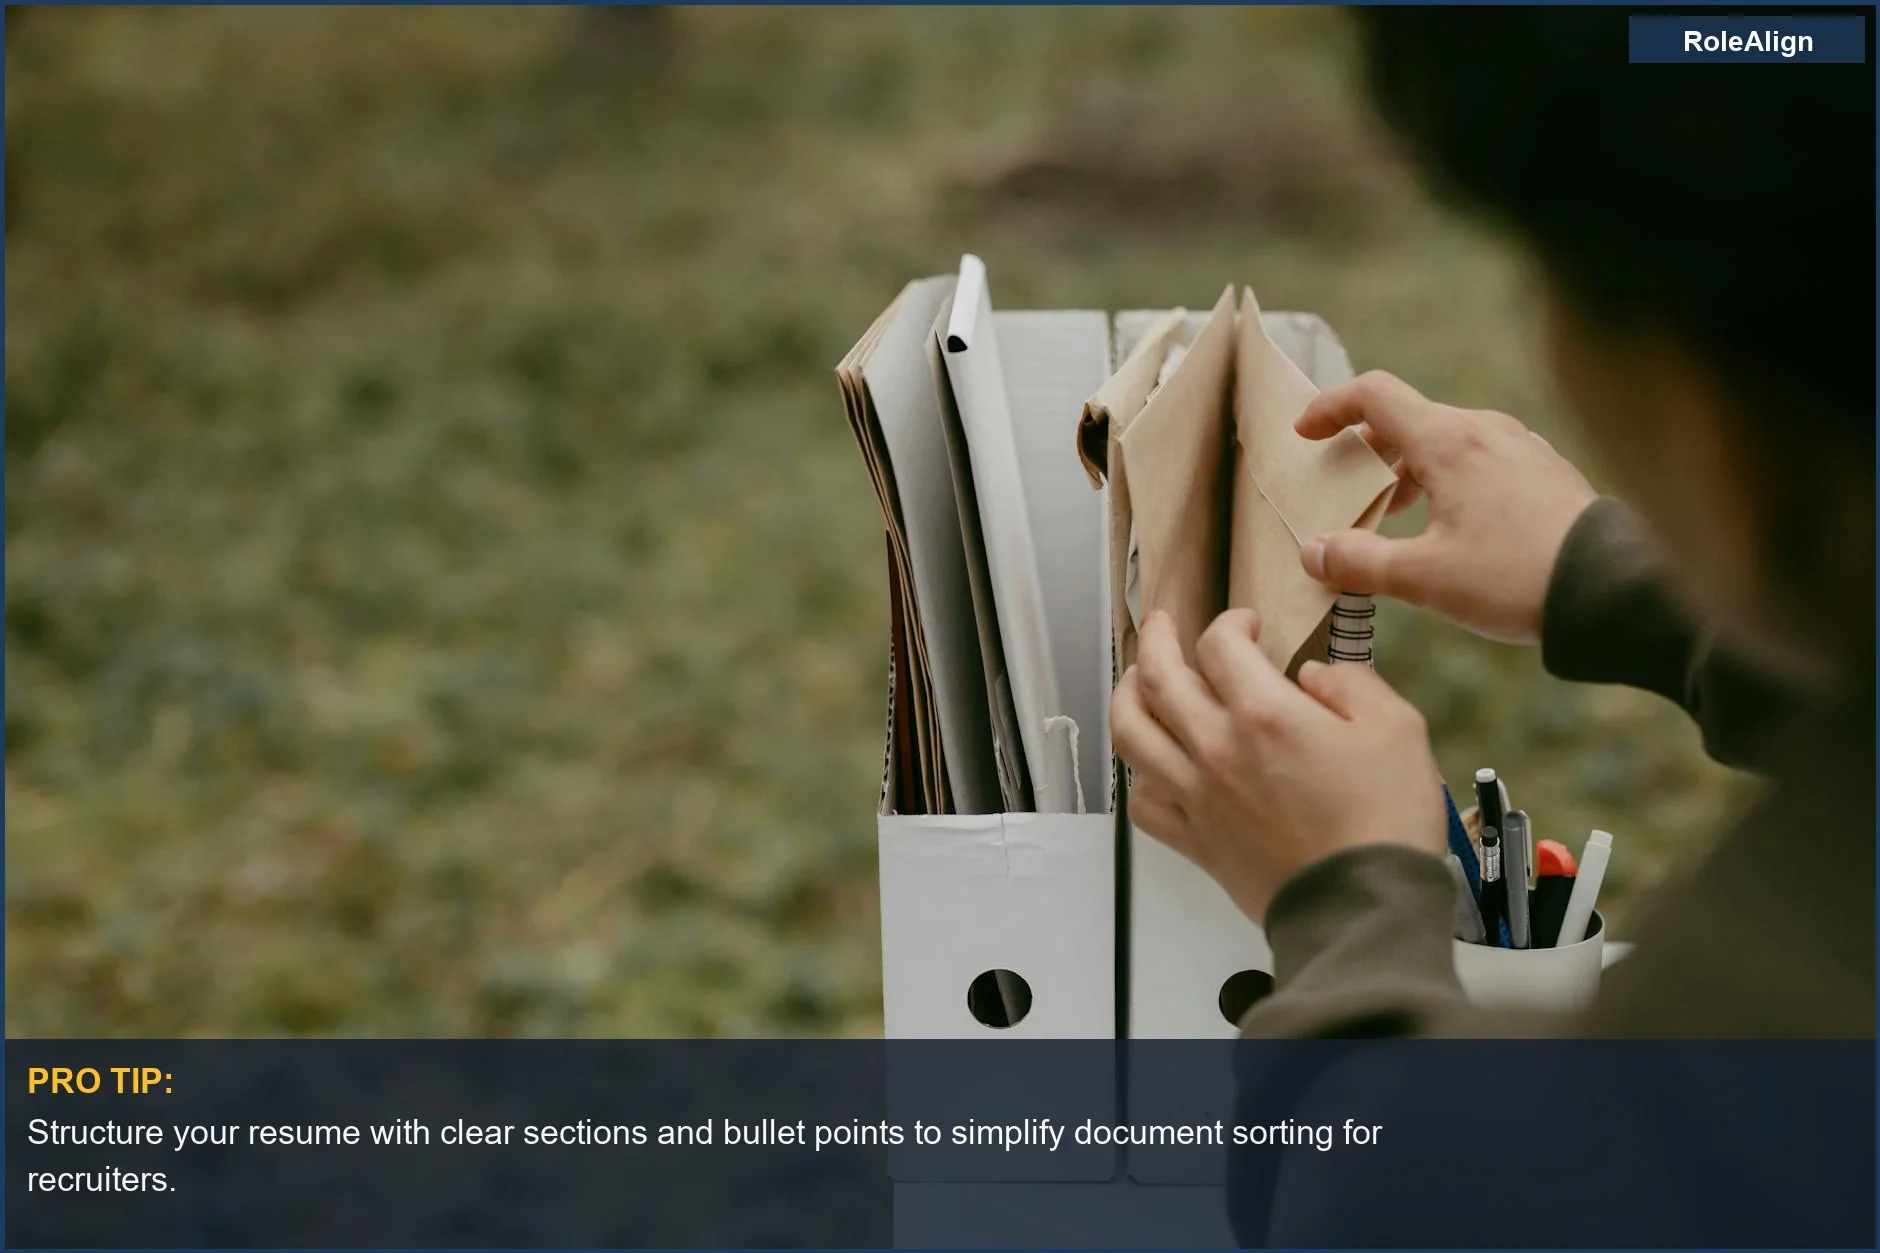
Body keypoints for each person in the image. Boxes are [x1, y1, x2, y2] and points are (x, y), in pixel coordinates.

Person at [1111, 11, 1873, 1242]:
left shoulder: (1754, 1024)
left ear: (1704, 425)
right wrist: (1614, 576)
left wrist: (1347, 894)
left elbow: (1431, 1202)